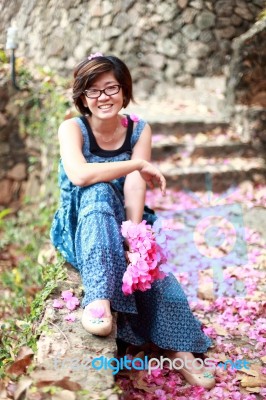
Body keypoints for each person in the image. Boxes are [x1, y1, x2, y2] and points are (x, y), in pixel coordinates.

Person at [50, 53, 215, 389]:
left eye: (111, 88)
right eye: (93, 91)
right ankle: (99, 298)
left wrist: (133, 239)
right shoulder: (73, 128)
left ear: (124, 91)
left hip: (127, 216)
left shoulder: (139, 129)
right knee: (97, 194)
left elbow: (136, 186)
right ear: (82, 97)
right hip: (82, 220)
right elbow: (80, 175)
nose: (103, 97)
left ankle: (179, 350)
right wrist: (134, 165)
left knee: (150, 271)